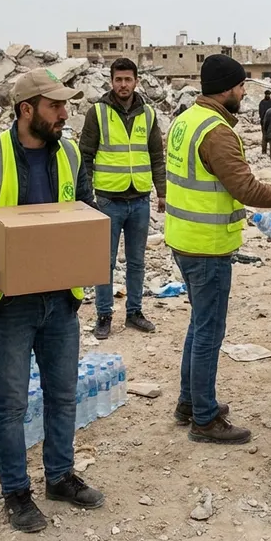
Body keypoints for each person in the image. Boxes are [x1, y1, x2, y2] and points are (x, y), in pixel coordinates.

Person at [0, 69, 102, 532]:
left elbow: (84, 211)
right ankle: (16, 492)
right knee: (11, 403)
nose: (64, 114)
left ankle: (59, 477)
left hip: (60, 299)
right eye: (55, 106)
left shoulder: (70, 153)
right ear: (26, 109)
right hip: (8, 303)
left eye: (65, 106)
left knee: (63, 396)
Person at [166, 54, 271, 443]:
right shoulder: (216, 132)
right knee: (208, 332)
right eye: (240, 87)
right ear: (228, 89)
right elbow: (246, 189)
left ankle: (190, 403)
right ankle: (204, 417)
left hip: (184, 240)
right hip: (207, 247)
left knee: (198, 325)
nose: (243, 93)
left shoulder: (185, 121)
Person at [79, 58, 164, 339]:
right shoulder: (98, 113)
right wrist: (85, 197)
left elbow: (156, 157)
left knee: (137, 261)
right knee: (104, 262)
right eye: (119, 80)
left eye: (128, 79)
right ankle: (104, 315)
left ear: (136, 81)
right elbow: (85, 156)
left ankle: (134, 312)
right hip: (107, 200)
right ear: (111, 81)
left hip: (140, 199)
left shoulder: (148, 114)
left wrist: (162, 192)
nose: (123, 85)